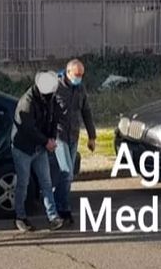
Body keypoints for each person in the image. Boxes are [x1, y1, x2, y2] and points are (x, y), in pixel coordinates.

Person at [11, 71, 64, 232]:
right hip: (23, 149)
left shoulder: (49, 98)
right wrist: (46, 141)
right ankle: (20, 217)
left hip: (40, 147)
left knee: (46, 182)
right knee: (23, 184)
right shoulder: (26, 103)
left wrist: (52, 138)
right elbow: (28, 129)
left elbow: (53, 118)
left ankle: (53, 216)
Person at [54, 59, 97, 225]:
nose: (79, 78)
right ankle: (62, 208)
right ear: (68, 72)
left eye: (81, 75)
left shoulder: (80, 89)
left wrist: (92, 137)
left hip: (73, 135)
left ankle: (59, 204)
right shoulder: (56, 87)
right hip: (58, 135)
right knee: (67, 172)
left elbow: (86, 112)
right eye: (77, 75)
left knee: (68, 175)